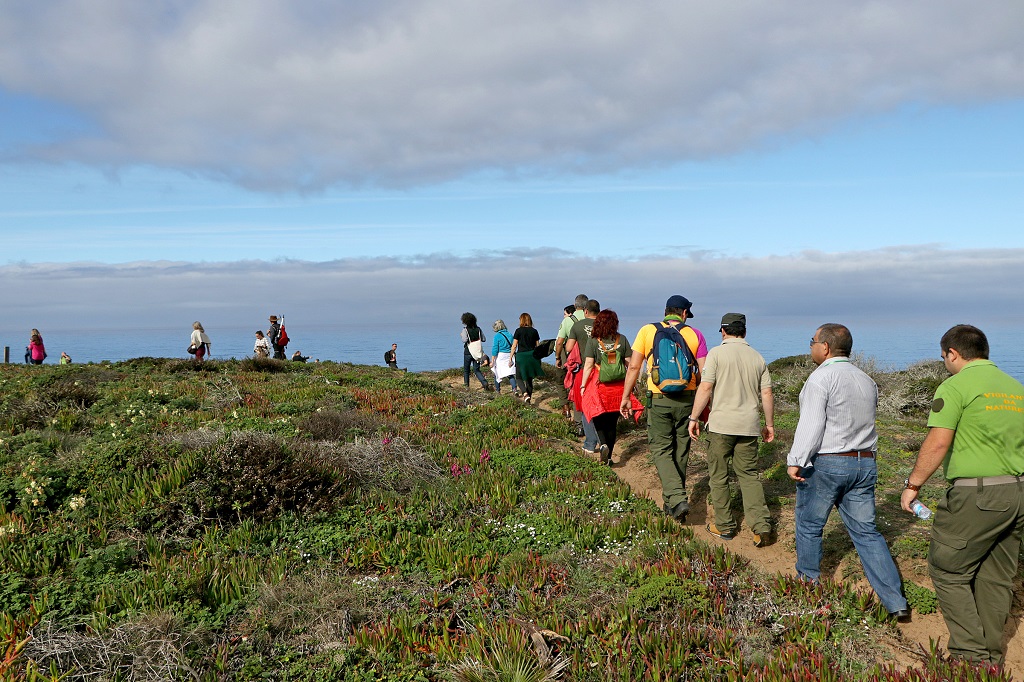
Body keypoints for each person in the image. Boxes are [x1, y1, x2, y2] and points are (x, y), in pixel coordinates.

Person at [901, 324, 1024, 665]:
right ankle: (992, 656)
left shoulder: (956, 385)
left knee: (948, 569)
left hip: (978, 495)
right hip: (1018, 492)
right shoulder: (1015, 388)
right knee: (996, 577)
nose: (945, 363)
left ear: (953, 354)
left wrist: (913, 485)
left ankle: (970, 656)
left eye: (944, 357)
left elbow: (938, 441)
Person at [787, 323, 909, 621]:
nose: (811, 346)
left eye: (813, 341)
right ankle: (896, 601)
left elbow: (812, 424)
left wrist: (796, 458)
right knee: (867, 532)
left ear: (825, 347)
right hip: (864, 461)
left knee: (809, 525)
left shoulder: (820, 379)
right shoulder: (866, 380)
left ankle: (809, 589)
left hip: (829, 462)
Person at [688, 313, 775, 547]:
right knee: (749, 476)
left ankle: (725, 526)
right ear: (744, 332)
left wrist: (694, 417)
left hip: (721, 426)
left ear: (723, 331)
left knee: (719, 476)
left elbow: (706, 387)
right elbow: (766, 393)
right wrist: (769, 425)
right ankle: (761, 527)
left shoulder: (716, 354)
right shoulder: (757, 358)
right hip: (748, 426)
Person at [620, 295, 708, 523]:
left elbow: (634, 367)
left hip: (659, 398)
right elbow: (705, 374)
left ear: (666, 311)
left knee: (661, 449)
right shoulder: (695, 334)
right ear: (684, 313)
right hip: (688, 399)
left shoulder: (647, 331)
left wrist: (626, 396)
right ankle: (673, 503)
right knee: (681, 449)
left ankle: (677, 499)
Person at [580, 309, 643, 465]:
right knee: (612, 423)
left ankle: (602, 444)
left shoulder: (593, 340)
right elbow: (631, 365)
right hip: (619, 388)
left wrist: (583, 385)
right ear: (615, 323)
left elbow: (588, 365)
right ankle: (608, 458)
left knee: (598, 418)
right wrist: (634, 384)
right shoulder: (622, 340)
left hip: (599, 386)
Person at [566, 299, 601, 455]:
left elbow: (568, 347)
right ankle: (603, 440)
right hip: (603, 371)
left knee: (587, 406)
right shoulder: (604, 325)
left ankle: (590, 443)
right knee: (601, 405)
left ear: (585, 311)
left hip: (585, 371)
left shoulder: (577, 325)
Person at [555, 297, 588, 418]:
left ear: (575, 305)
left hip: (574, 361)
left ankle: (574, 417)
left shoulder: (568, 321)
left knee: (572, 387)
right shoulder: (592, 319)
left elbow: (559, 342)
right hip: (592, 360)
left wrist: (558, 357)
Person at [509, 312, 543, 404]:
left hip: (521, 356)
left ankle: (524, 393)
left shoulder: (518, 331)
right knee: (529, 379)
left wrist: (510, 357)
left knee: (519, 377)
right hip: (532, 356)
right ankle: (528, 400)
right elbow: (538, 346)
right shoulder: (534, 331)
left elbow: (514, 346)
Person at [460, 313, 491, 391]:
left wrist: (461, 335)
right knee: (476, 370)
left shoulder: (465, 330)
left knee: (466, 370)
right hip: (477, 352)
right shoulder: (478, 329)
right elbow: (483, 339)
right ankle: (484, 383)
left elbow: (464, 340)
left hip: (468, 352)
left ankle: (466, 387)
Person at [490, 320, 519, 396]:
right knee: (510, 374)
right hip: (510, 355)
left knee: (497, 373)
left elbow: (495, 349)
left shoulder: (497, 336)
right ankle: (514, 389)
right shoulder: (509, 334)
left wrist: (492, 360)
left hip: (501, 356)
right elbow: (514, 345)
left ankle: (498, 391)